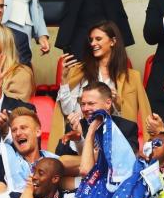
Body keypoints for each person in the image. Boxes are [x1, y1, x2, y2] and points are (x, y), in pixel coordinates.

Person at [50, 21, 149, 152]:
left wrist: (116, 102)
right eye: (91, 40)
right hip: (83, 137)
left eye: (98, 39)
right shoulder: (80, 71)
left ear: (113, 41)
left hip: (116, 140)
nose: (93, 44)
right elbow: (68, 111)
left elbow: (144, 114)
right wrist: (64, 82)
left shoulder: (132, 77)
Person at [56, 81, 140, 159]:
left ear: (108, 103)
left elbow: (128, 159)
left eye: (91, 104)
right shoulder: (75, 126)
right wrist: (78, 137)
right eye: (83, 104)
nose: (85, 108)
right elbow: (59, 159)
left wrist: (83, 142)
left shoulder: (127, 127)